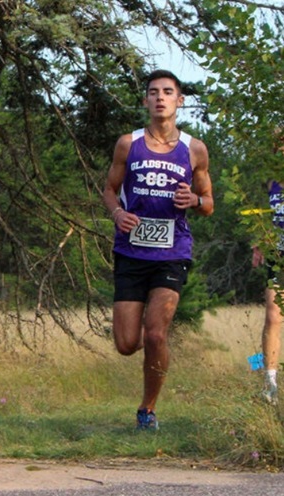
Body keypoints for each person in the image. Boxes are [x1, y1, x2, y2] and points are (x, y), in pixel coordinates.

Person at [102, 69, 214, 430]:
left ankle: (147, 409)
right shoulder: (128, 144)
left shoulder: (193, 149)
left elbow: (209, 202)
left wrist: (194, 199)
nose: (160, 98)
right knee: (126, 342)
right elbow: (108, 189)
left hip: (172, 251)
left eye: (168, 92)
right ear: (146, 101)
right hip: (131, 251)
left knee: (155, 333)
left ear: (179, 101)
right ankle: (151, 360)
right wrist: (118, 213)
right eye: (154, 92)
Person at [251, 178, 284, 405]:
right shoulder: (270, 176)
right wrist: (259, 241)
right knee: (273, 316)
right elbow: (264, 213)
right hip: (278, 254)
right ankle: (270, 383)